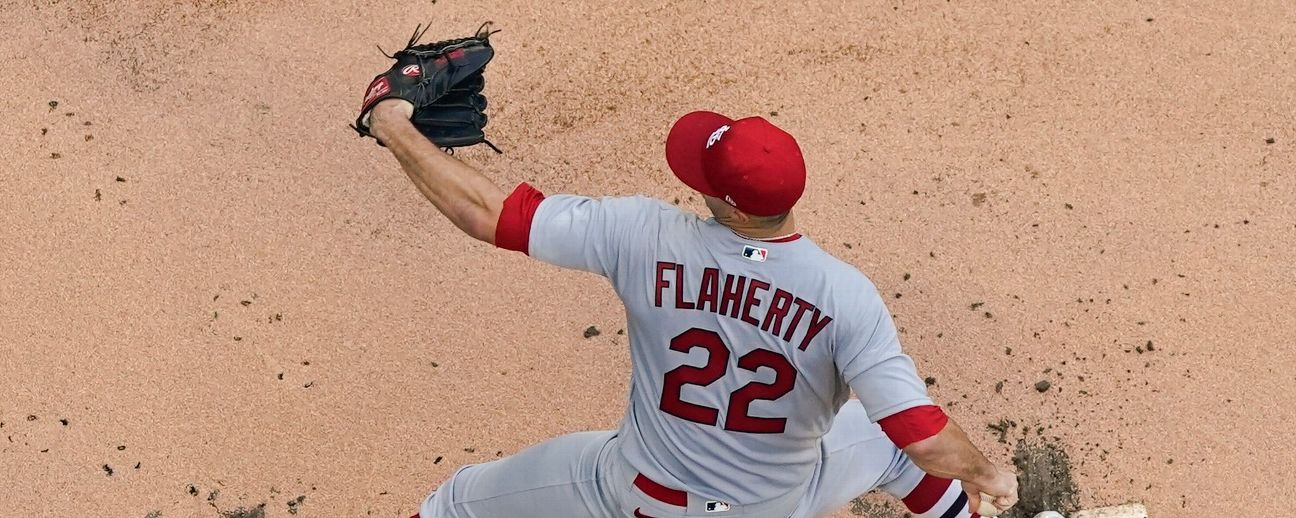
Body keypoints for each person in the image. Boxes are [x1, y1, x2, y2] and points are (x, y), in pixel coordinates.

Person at [365, 99, 1019, 518]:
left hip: (632, 497)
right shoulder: (843, 294)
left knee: (457, 503)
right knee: (892, 445)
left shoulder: (644, 236)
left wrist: (392, 123)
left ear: (730, 205)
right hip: (774, 507)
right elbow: (925, 437)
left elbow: (490, 215)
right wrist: (990, 474)